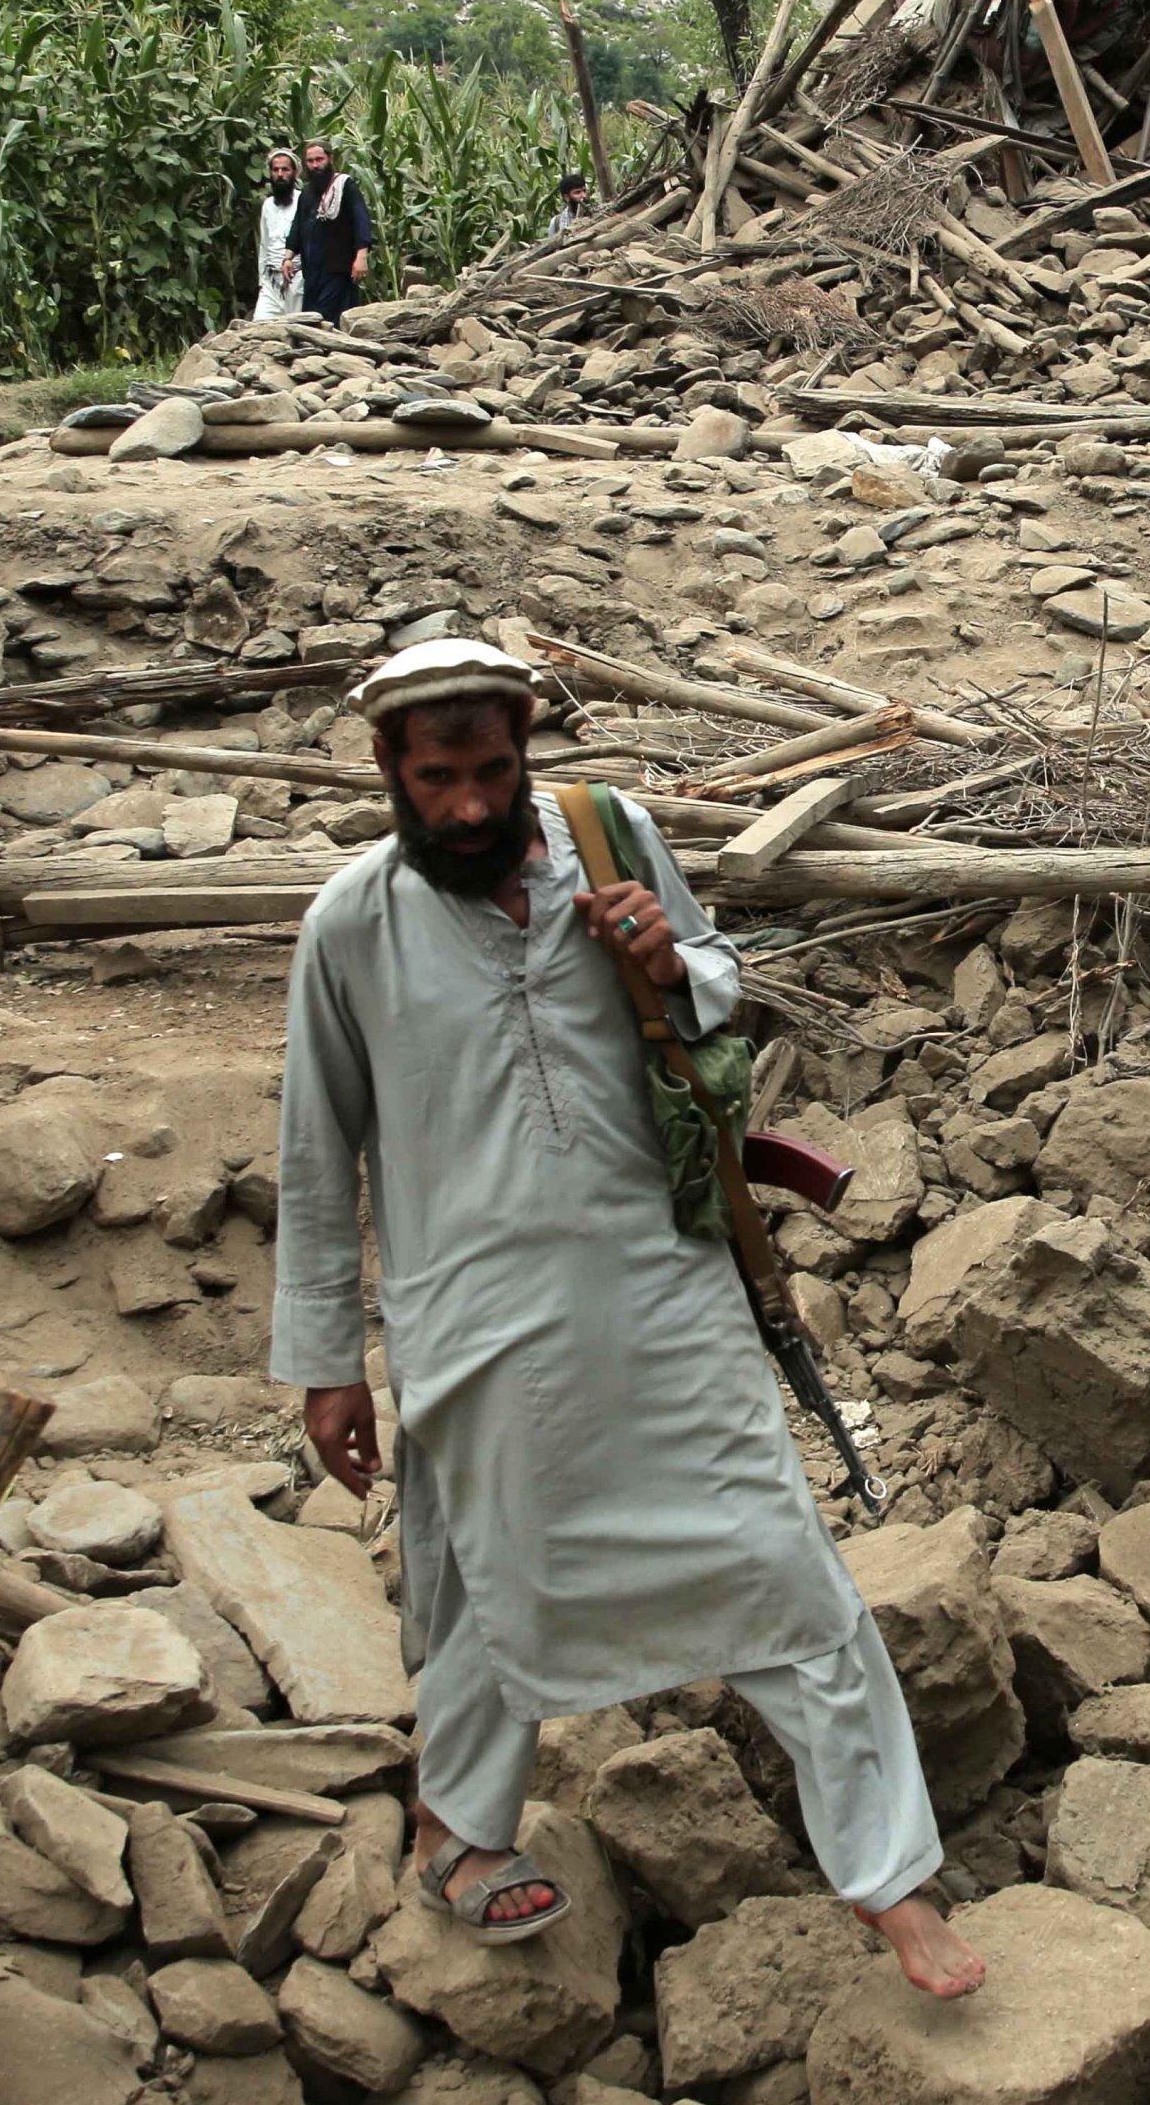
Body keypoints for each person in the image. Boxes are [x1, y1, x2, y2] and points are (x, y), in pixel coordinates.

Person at [269, 636, 984, 1998]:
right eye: (438, 779)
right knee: (490, 1573)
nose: (470, 805)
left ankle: (892, 1880)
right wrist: (322, 1362)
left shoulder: (610, 837)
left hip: (657, 1285)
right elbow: (316, 1155)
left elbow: (716, 989)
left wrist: (666, 956)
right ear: (389, 774)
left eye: (491, 770)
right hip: (471, 1316)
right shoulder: (347, 927)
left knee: (775, 1557)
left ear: (522, 754)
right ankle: (455, 1826)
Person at [295, 136, 374, 319]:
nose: (315, 165)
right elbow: (298, 226)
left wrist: (361, 256)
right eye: (310, 161)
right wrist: (289, 255)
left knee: (333, 317)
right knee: (312, 318)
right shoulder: (307, 192)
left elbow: (360, 219)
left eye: (319, 160)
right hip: (313, 272)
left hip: (338, 269)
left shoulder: (345, 186)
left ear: (330, 159)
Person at [251, 148, 304, 322]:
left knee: (295, 329)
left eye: (285, 170)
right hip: (270, 281)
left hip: (297, 278)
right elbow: (264, 245)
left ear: (294, 173)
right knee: (259, 326)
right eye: (276, 170)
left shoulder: (304, 201)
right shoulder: (267, 205)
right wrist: (262, 281)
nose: (280, 174)